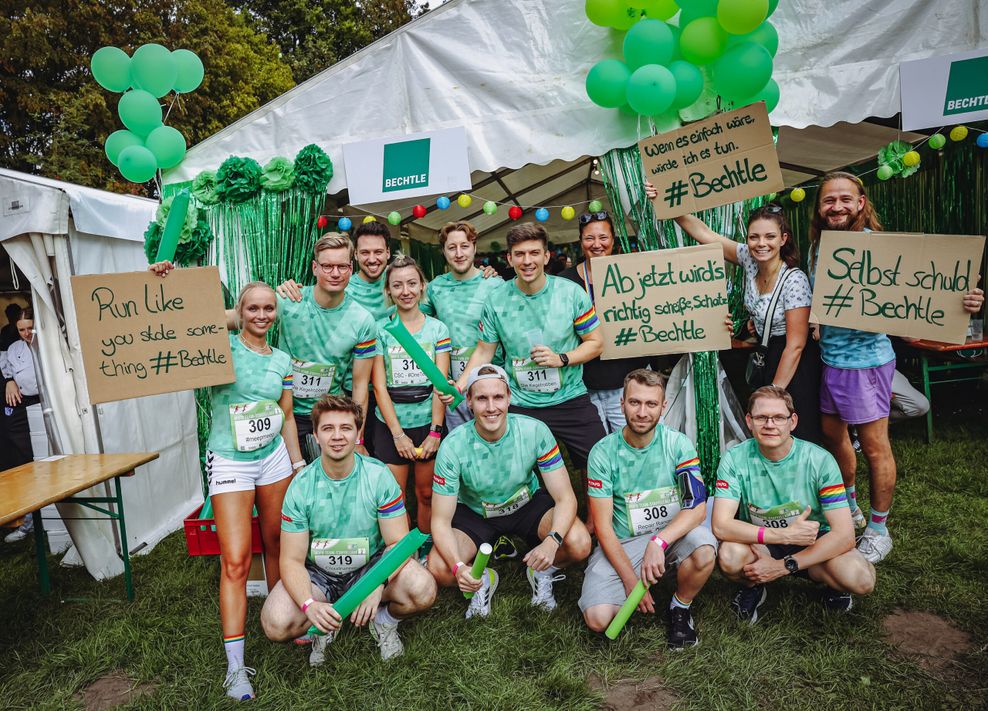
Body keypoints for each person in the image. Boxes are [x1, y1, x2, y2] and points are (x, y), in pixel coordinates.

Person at [807, 172, 985, 562]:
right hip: (830, 362)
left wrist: (964, 301)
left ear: (860, 202)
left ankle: (878, 529)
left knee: (874, 447)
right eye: (828, 201)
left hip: (867, 364)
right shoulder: (818, 247)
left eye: (844, 199)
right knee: (834, 437)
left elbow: (929, 288)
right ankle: (850, 507)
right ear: (819, 208)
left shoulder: (883, 248)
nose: (836, 206)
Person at [149, 265, 305, 702]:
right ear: (239, 311)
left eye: (269, 308)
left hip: (273, 459)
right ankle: (236, 667)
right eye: (252, 308)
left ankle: (284, 623)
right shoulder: (219, 348)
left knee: (279, 544)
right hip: (231, 463)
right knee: (235, 561)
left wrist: (295, 463)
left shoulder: (282, 360)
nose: (262, 315)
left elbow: (288, 415)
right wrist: (166, 277)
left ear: (277, 313)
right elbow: (182, 324)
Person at [260, 395, 436, 666]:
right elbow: (291, 560)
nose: (337, 436)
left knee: (422, 587)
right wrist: (309, 605)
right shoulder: (300, 486)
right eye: (328, 429)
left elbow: (398, 544)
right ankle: (323, 624)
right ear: (316, 436)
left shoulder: (378, 476)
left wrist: (378, 584)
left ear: (357, 434)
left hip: (370, 566)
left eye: (346, 428)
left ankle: (384, 620)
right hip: (319, 574)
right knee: (276, 621)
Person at [651, 181, 822, 444]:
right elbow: (706, 234)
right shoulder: (749, 260)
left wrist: (773, 393)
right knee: (768, 434)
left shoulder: (794, 280)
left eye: (769, 237)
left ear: (783, 239)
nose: (761, 243)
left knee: (792, 429)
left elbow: (796, 345)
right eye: (754, 237)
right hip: (764, 353)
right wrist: (668, 205)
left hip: (792, 360)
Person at [428, 365, 591, 617]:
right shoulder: (453, 446)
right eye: (482, 398)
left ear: (509, 398)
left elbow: (566, 497)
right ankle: (481, 580)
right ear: (469, 401)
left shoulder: (534, 431)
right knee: (439, 568)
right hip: (476, 512)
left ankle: (541, 571)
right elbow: (439, 520)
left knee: (579, 543)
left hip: (526, 506)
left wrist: (552, 541)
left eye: (498, 397)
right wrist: (459, 567)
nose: (491, 407)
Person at [713, 386, 876, 624]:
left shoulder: (819, 460)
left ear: (793, 421)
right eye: (761, 417)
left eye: (779, 417)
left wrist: (782, 567)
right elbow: (721, 526)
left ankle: (831, 583)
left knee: (860, 579)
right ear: (749, 421)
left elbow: (845, 535)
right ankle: (755, 585)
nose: (770, 424)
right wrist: (782, 535)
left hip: (815, 540)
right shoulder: (734, 459)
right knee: (729, 555)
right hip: (764, 542)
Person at [580, 369, 716, 650]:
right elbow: (603, 528)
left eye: (651, 404)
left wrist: (659, 540)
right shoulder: (602, 453)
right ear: (622, 403)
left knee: (704, 547)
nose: (642, 412)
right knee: (597, 619)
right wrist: (630, 581)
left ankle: (680, 607)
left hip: (671, 536)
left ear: (663, 406)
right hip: (625, 541)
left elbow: (697, 508)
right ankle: (644, 579)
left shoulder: (678, 444)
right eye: (635, 403)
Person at [456, 222, 606, 472]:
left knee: (599, 467)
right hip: (521, 404)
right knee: (521, 476)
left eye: (534, 253)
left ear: (546, 256)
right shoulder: (496, 300)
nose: (527, 261)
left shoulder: (570, 293)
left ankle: (594, 512)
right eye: (520, 254)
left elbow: (596, 342)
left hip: (569, 399)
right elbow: (484, 350)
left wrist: (562, 358)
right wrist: (461, 384)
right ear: (509, 259)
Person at [269, 234, 377, 460]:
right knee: (290, 486)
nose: (335, 273)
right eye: (327, 266)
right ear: (314, 267)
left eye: (342, 266)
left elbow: (359, 386)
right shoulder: (289, 302)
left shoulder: (362, 320)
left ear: (351, 268)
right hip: (284, 413)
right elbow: (238, 316)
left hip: (331, 415)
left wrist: (358, 439)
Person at [559, 211, 661, 433]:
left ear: (613, 240)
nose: (597, 244)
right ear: (580, 241)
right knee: (595, 452)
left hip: (628, 384)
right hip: (583, 387)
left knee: (635, 444)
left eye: (603, 237)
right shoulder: (564, 282)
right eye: (589, 238)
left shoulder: (634, 273)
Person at [371, 255, 451, 534]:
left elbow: (441, 385)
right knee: (396, 498)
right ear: (388, 291)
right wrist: (397, 434)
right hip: (391, 424)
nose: (405, 291)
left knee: (427, 494)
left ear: (421, 287)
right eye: (397, 285)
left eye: (411, 284)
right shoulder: (380, 330)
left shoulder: (438, 329)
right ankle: (404, 556)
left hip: (426, 422)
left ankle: (429, 545)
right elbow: (379, 386)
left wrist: (435, 431)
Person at [420, 221, 504, 430]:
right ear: (443, 251)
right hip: (452, 386)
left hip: (490, 381)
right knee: (462, 444)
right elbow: (418, 324)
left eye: (464, 246)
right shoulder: (435, 287)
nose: (459, 253)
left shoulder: (494, 284)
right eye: (452, 247)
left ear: (474, 247)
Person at [2, 308, 41, 541]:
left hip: (47, 399)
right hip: (23, 401)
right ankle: (29, 520)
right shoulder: (14, 349)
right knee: (25, 458)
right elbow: (6, 367)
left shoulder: (46, 343)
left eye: (29, 328)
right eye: (21, 329)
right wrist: (9, 381)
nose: (26, 333)